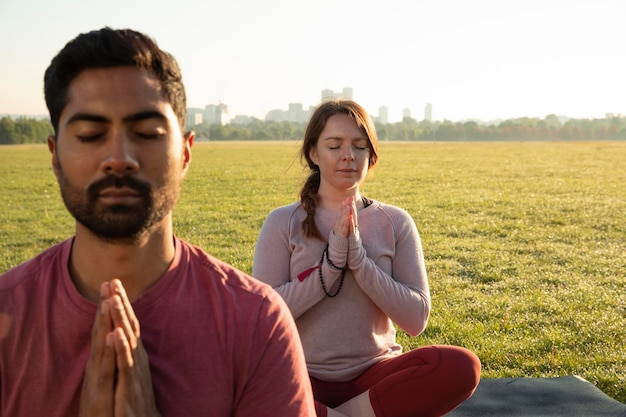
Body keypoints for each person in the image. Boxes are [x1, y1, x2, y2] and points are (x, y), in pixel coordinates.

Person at [0, 27, 315, 417]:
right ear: (54, 155)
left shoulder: (256, 323)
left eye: (147, 132)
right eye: (90, 134)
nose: (119, 157)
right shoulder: (6, 315)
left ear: (185, 153)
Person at [253, 99, 481, 417]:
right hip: (298, 374)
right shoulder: (283, 222)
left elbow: (416, 319)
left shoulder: (395, 221)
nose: (348, 155)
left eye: (359, 147)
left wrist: (359, 260)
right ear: (313, 153)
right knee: (236, 380)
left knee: (460, 366)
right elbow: (264, 317)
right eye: (335, 146)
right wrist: (331, 264)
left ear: (370, 157)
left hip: (374, 378)